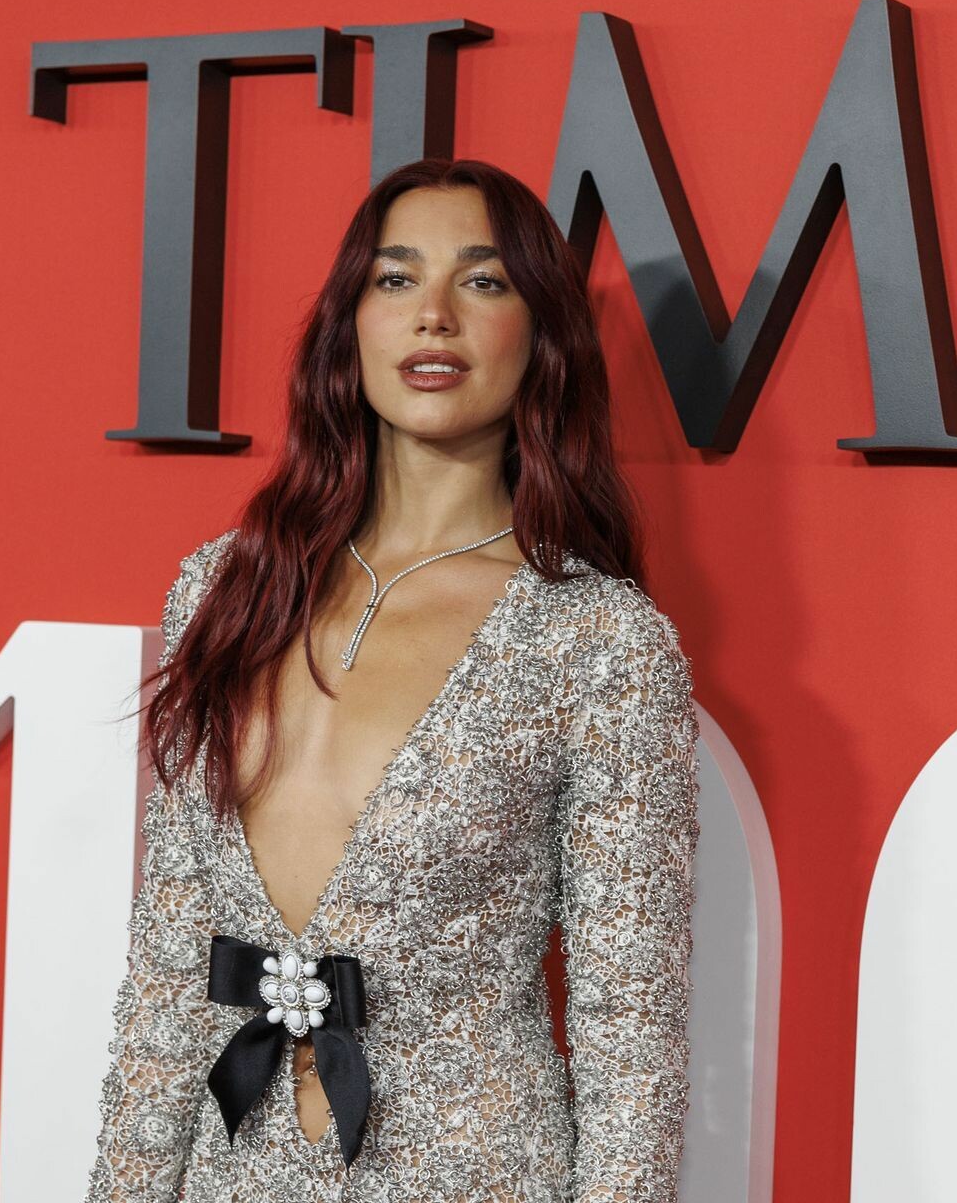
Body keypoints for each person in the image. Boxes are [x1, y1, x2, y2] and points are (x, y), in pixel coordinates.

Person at [86, 157, 701, 1203]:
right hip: (235, 1176)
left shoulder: (601, 642)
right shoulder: (228, 588)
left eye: (483, 280)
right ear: (352, 323)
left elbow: (629, 1032)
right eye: (396, 277)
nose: (434, 315)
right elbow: (170, 968)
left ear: (542, 334)